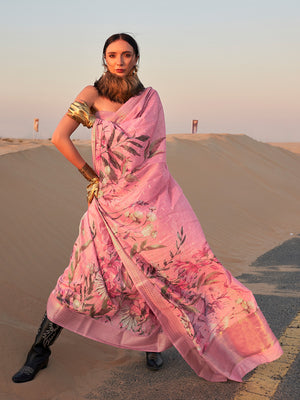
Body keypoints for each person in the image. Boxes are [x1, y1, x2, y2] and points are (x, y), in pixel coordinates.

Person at [12, 33, 283, 384]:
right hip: (106, 208)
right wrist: (90, 176)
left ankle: (153, 346)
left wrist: (143, 195)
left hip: (147, 206)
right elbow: (59, 137)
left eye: (127, 54)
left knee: (161, 273)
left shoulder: (148, 100)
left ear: (136, 58)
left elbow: (156, 157)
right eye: (113, 55)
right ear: (104, 59)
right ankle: (39, 351)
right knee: (79, 279)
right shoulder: (91, 94)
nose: (120, 60)